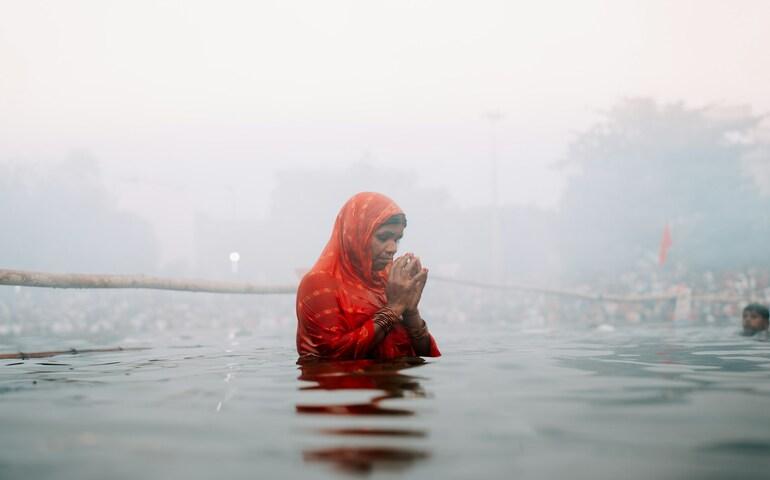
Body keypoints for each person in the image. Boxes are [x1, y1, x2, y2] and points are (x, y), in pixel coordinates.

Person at [296, 192, 440, 362]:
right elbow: (332, 355)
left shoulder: (386, 280)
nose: (392, 248)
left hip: (395, 383)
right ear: (355, 234)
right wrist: (394, 308)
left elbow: (427, 355)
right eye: (383, 237)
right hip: (345, 385)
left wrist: (410, 312)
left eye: (397, 239)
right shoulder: (319, 283)